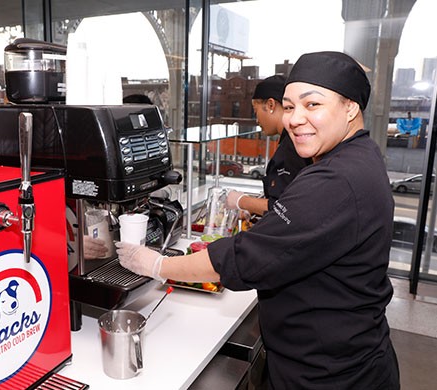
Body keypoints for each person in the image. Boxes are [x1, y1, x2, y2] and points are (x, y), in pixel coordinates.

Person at [115, 51, 400, 389]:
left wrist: (158, 265)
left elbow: (246, 258)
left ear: (351, 107)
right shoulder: (358, 157)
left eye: (312, 105)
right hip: (341, 353)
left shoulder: (336, 180)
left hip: (331, 374)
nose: (295, 119)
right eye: (290, 107)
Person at [230, 75, 311, 216]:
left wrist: (241, 201)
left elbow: (283, 208)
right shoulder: (290, 142)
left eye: (256, 111)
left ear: (271, 105)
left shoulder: (291, 148)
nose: (257, 120)